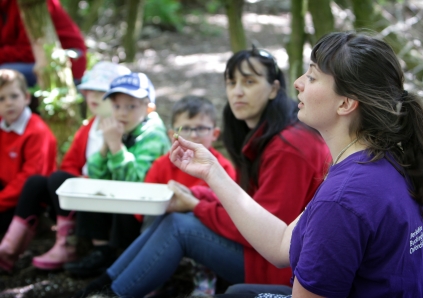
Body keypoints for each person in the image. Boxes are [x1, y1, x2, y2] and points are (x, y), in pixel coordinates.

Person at [170, 31, 423, 297]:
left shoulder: (342, 199)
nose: (298, 83)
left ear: (345, 103)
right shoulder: (386, 159)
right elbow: (280, 244)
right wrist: (212, 171)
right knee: (240, 292)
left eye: (312, 76)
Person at [75, 46, 330, 298]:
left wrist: (197, 205)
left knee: (179, 226)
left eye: (249, 81)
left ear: (274, 88)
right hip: (266, 254)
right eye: (231, 82)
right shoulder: (270, 136)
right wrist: (196, 195)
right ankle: (102, 286)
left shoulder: (288, 147)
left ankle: (109, 293)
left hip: (283, 269)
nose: (237, 91)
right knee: (173, 219)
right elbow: (249, 202)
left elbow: (266, 230)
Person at [0, 62, 131, 272]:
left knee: (52, 179)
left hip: (103, 201)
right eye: (89, 92)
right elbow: (70, 162)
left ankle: (68, 245)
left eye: (102, 92)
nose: (94, 98)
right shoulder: (89, 127)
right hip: (73, 195)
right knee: (48, 181)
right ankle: (10, 250)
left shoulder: (124, 126)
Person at [63, 72, 171, 277]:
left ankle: (122, 259)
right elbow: (95, 173)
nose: (122, 113)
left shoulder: (153, 136)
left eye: (131, 106)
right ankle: (102, 251)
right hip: (119, 206)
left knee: (126, 202)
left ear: (149, 108)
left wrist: (115, 146)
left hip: (145, 211)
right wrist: (106, 145)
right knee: (89, 188)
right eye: (117, 106)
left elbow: (135, 182)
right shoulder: (124, 129)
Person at [140, 94, 236, 230]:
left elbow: (232, 210)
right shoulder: (161, 165)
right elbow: (144, 208)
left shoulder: (223, 168)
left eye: (201, 128)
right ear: (172, 135)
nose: (193, 135)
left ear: (215, 134)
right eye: (184, 129)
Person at [0, 69, 57, 271]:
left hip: (30, 199)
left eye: (14, 96)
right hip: (6, 193)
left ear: (26, 97)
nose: (8, 103)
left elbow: (29, 178)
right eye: (1, 98)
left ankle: (7, 254)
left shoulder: (37, 131)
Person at [0, 0, 87, 87]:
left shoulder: (29, 4)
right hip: (33, 62)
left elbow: (29, 51)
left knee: (4, 73)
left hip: (67, 67)